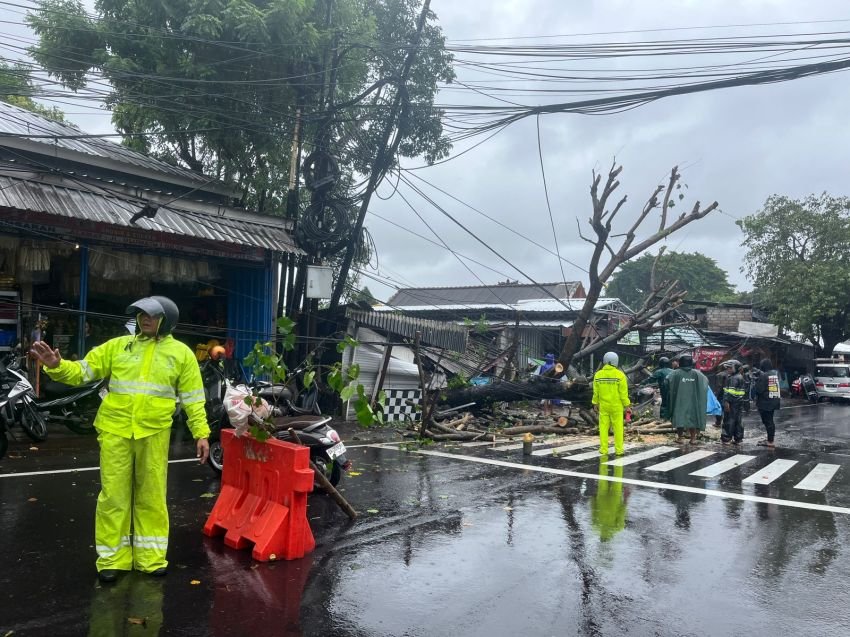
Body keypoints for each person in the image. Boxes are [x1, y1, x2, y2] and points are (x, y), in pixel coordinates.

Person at [30, 296, 210, 584]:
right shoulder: (118, 346)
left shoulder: (181, 354)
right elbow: (83, 372)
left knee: (151, 497)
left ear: (167, 319)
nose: (144, 319)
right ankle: (112, 560)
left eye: (150, 315)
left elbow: (193, 399)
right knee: (113, 497)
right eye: (140, 315)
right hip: (115, 430)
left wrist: (201, 433)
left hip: (154, 432)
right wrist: (57, 364)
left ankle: (150, 559)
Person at [592, 351, 630, 456]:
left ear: (605, 361)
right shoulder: (620, 375)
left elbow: (596, 392)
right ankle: (619, 450)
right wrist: (627, 405)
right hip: (616, 407)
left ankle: (604, 449)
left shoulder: (598, 375)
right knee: (618, 428)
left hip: (603, 406)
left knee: (603, 428)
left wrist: (595, 403)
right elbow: (623, 394)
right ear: (616, 362)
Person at [667, 353, 709, 444]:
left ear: (681, 362)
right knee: (693, 418)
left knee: (679, 418)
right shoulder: (698, 374)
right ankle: (693, 439)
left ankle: (680, 438)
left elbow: (667, 381)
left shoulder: (675, 373)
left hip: (679, 401)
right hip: (693, 401)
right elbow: (705, 383)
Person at [754, 358, 781, 448]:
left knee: (768, 421)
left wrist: (756, 381)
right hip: (774, 400)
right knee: (770, 420)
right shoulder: (775, 374)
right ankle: (770, 439)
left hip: (765, 402)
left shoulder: (764, 376)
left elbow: (759, 390)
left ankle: (770, 441)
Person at [721, 360, 747, 445]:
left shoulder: (733, 378)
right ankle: (738, 438)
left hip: (732, 403)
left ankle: (726, 438)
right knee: (738, 421)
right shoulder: (740, 377)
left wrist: (727, 402)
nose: (728, 369)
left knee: (729, 420)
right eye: (727, 367)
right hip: (738, 402)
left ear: (735, 368)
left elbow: (730, 392)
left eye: (730, 367)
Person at [711, 362, 730, 429]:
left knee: (718, 408)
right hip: (729, 393)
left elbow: (719, 386)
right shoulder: (730, 374)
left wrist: (716, 394)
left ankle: (718, 422)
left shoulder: (720, 375)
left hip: (721, 394)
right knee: (727, 408)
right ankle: (726, 423)